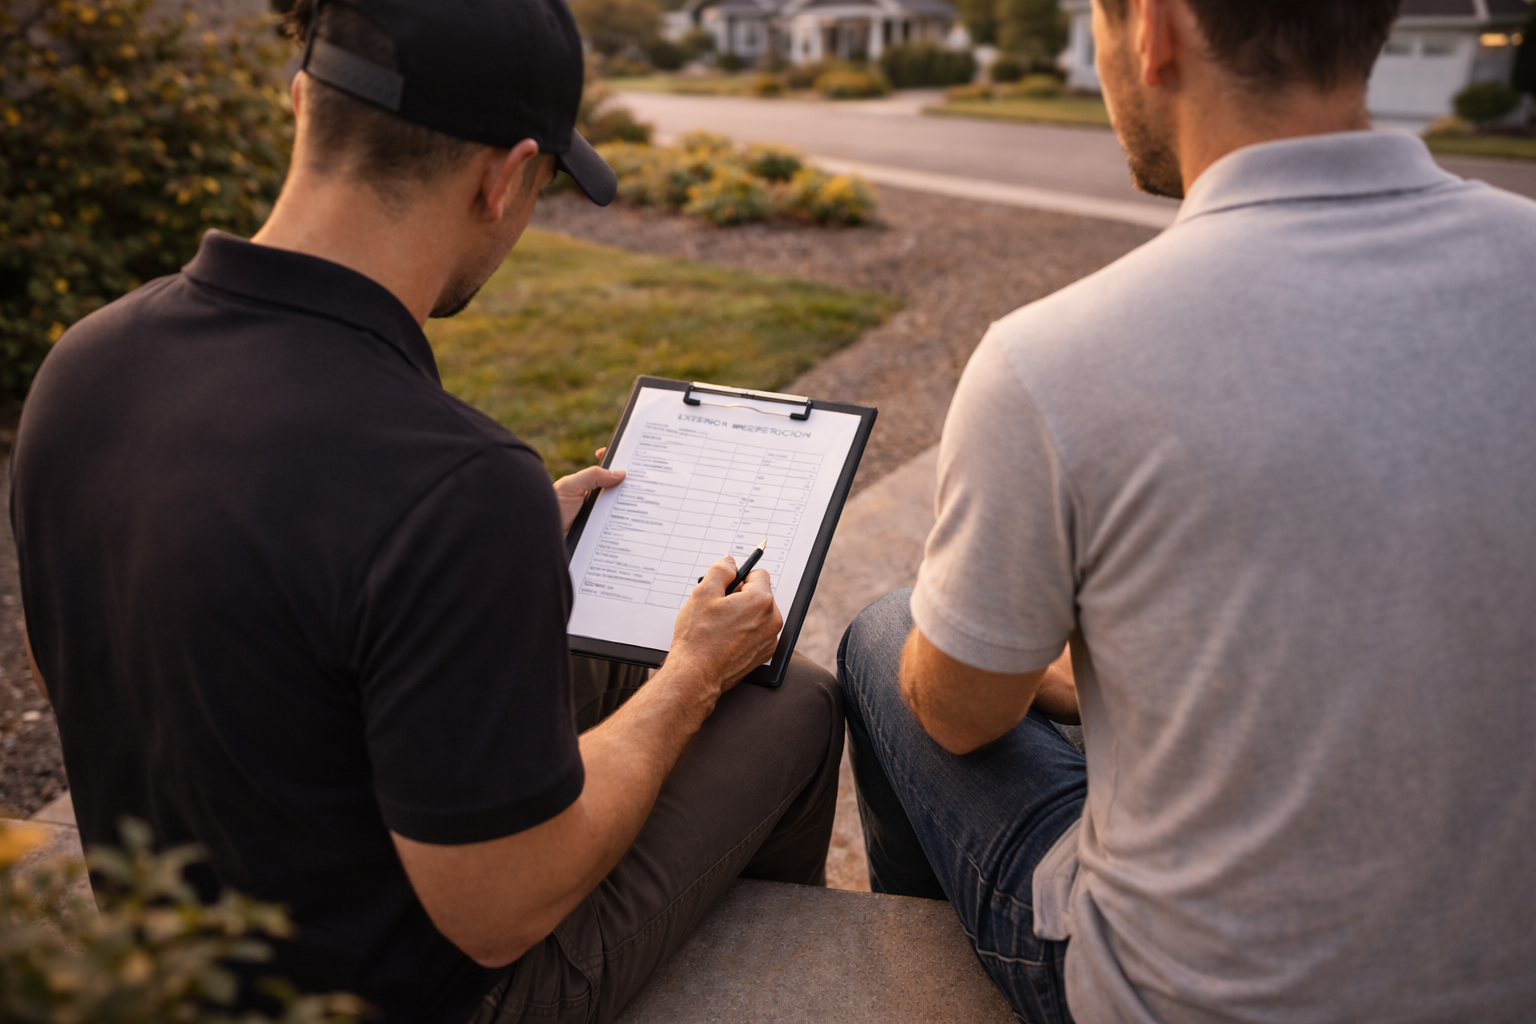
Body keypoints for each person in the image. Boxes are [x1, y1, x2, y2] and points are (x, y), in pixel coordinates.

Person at [10, 2, 843, 1022]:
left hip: (176, 956)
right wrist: (693, 677)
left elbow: (154, 646)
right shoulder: (450, 479)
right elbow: (500, 910)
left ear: (302, 100)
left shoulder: (84, 365)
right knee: (789, 701)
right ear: (504, 178)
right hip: (427, 994)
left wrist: (466, 569)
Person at [838, 0, 1536, 1021]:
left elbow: (954, 710)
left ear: (1155, 29)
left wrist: (1065, 669)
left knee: (887, 634)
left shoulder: (1054, 360)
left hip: (1181, 997)